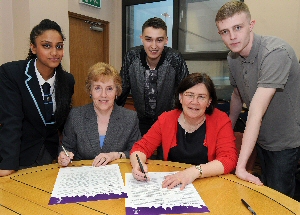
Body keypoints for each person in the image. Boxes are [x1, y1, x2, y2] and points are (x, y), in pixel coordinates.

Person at [215, 1, 300, 198]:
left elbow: (255, 111)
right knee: (263, 193)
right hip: (260, 137)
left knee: (279, 199)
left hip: (284, 141)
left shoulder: (275, 53)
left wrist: (241, 166)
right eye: (225, 31)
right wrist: (228, 128)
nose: (232, 36)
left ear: (251, 25)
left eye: (238, 27)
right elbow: (238, 95)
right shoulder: (232, 58)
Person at [130, 73, 238, 190]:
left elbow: (229, 159)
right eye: (189, 95)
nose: (195, 102)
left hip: (209, 185)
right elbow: (141, 148)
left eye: (201, 97)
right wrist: (137, 164)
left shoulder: (221, 120)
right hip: (173, 186)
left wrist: (194, 172)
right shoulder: (166, 119)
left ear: (209, 102)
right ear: (180, 97)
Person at [0, 19, 75, 176]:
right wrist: (8, 165)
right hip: (19, 154)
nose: (54, 52)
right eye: (46, 46)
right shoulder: (12, 74)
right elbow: (11, 122)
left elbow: (64, 124)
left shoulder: (67, 80)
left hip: (51, 155)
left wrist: (66, 152)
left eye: (59, 46)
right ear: (33, 47)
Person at [116, 17, 189, 137]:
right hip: (141, 120)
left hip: (169, 120)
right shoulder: (132, 56)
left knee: (166, 155)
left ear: (166, 40)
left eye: (159, 40)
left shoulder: (175, 58)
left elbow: (186, 91)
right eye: (149, 39)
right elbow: (122, 90)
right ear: (142, 39)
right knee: (140, 152)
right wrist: (113, 117)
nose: (154, 46)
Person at [58, 62, 141, 167]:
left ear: (117, 92)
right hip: (84, 176)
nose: (103, 95)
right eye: (97, 88)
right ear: (90, 91)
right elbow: (66, 148)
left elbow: (137, 152)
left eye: (109, 88)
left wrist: (115, 155)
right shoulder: (76, 116)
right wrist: (63, 156)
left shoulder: (130, 118)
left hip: (118, 176)